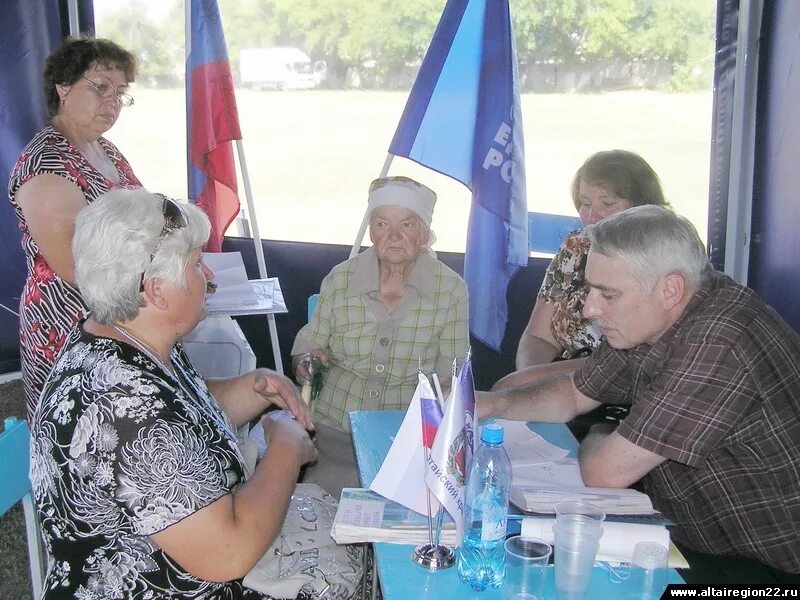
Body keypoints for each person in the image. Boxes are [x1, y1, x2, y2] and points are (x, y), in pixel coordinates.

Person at [478, 205, 800, 576]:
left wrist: (602, 430)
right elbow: (573, 392)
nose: (589, 309)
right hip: (698, 537)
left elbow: (604, 473)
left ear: (670, 289)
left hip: (767, 564)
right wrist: (493, 403)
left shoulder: (719, 340)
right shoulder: (658, 314)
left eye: (607, 294)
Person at [29, 189, 317, 599]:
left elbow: (178, 419)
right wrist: (286, 448)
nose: (210, 277)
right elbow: (227, 555)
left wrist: (254, 388)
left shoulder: (124, 337)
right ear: (157, 289)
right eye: (198, 264)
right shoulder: (122, 407)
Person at [291, 176, 469, 496]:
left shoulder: (451, 290)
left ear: (425, 233)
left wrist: (434, 429)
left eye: (407, 224)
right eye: (382, 224)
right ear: (371, 229)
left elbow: (453, 373)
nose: (394, 237)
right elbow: (311, 339)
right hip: (332, 440)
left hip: (405, 442)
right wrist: (306, 360)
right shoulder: (341, 279)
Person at [8, 37, 142, 418]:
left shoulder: (107, 150)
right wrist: (160, 277)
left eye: (120, 92)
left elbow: (145, 221)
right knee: (81, 448)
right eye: (100, 87)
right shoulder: (46, 161)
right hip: (70, 330)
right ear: (63, 88)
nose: (113, 101)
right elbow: (75, 267)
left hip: (117, 319)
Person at [503, 150, 668, 391]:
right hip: (561, 384)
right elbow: (537, 337)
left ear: (641, 205)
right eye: (585, 204)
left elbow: (633, 361)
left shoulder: (663, 257)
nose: (592, 216)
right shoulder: (575, 248)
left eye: (608, 203)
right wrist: (531, 378)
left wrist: (541, 380)